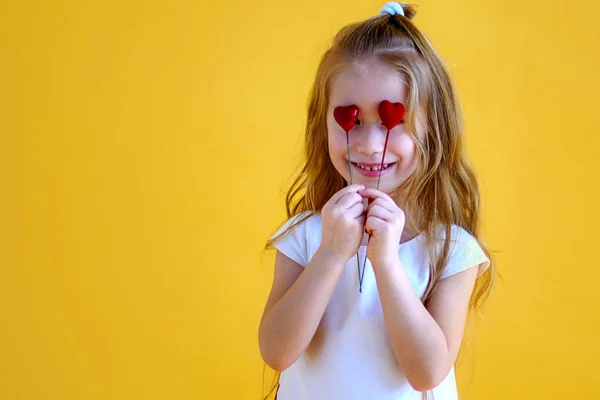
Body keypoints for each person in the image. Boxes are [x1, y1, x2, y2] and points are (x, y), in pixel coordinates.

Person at [258, 2, 495, 399]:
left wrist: (385, 262)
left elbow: (427, 372)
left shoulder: (451, 250)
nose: (369, 146)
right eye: (350, 119)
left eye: (392, 122)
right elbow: (277, 352)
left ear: (434, 128)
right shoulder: (305, 237)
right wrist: (331, 254)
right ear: (323, 122)